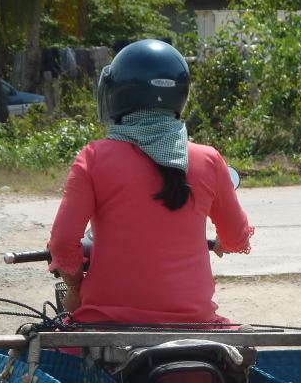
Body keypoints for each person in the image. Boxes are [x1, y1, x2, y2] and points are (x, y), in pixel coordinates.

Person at [47, 39, 253, 325]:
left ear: (115, 94)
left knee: (36, 356)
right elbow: (237, 236)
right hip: (195, 322)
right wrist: (223, 242)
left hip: (106, 323)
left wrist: (75, 287)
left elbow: (61, 243)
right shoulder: (209, 160)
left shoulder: (94, 158)